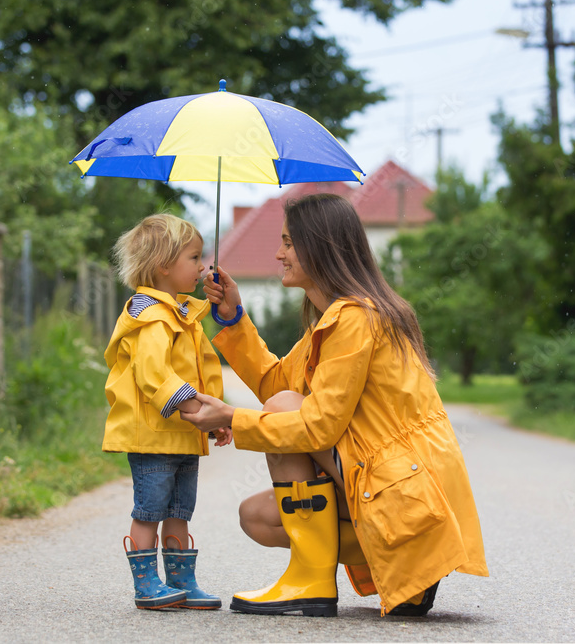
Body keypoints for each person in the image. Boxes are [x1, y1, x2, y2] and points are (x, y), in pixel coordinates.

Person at [181, 193, 488, 617]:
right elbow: (276, 383)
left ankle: (316, 581)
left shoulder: (356, 319)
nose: (278, 253)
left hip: (407, 500)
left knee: (288, 410)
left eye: (288, 243)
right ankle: (392, 568)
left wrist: (234, 418)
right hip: (391, 491)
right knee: (256, 515)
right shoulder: (336, 319)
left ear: (319, 247)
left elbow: (315, 428)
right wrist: (233, 320)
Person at [102, 214, 232, 611]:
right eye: (194, 258)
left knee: (179, 511)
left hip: (182, 434)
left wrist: (214, 415)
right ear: (163, 265)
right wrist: (200, 408)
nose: (202, 267)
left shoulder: (183, 315)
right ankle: (146, 585)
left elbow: (202, 368)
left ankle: (181, 581)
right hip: (153, 436)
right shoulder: (151, 317)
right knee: (150, 511)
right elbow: (153, 374)